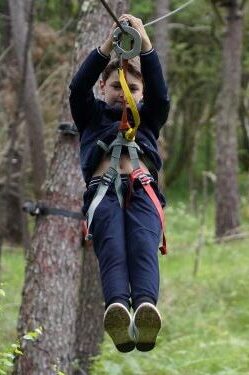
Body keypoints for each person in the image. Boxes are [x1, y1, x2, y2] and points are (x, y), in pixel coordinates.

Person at [69, 14, 170, 353]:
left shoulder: (149, 119)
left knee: (142, 247)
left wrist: (145, 44)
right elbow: (77, 87)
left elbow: (161, 94)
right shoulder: (91, 116)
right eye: (116, 86)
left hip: (143, 190)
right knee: (112, 248)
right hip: (103, 193)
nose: (123, 94)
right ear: (103, 88)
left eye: (132, 89)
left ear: (141, 94)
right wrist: (106, 47)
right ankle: (117, 310)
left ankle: (144, 309)